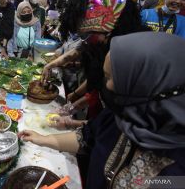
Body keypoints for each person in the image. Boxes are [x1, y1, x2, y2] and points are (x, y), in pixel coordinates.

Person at [19, 32, 185, 189]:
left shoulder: (177, 170)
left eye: (111, 78)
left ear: (146, 84)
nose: (107, 85)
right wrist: (42, 139)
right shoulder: (123, 114)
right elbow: (86, 137)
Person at [42, 0, 147, 128]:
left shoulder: (130, 58)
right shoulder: (100, 42)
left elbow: (115, 127)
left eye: (88, 35)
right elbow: (95, 88)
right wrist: (70, 108)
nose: (85, 40)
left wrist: (72, 121)